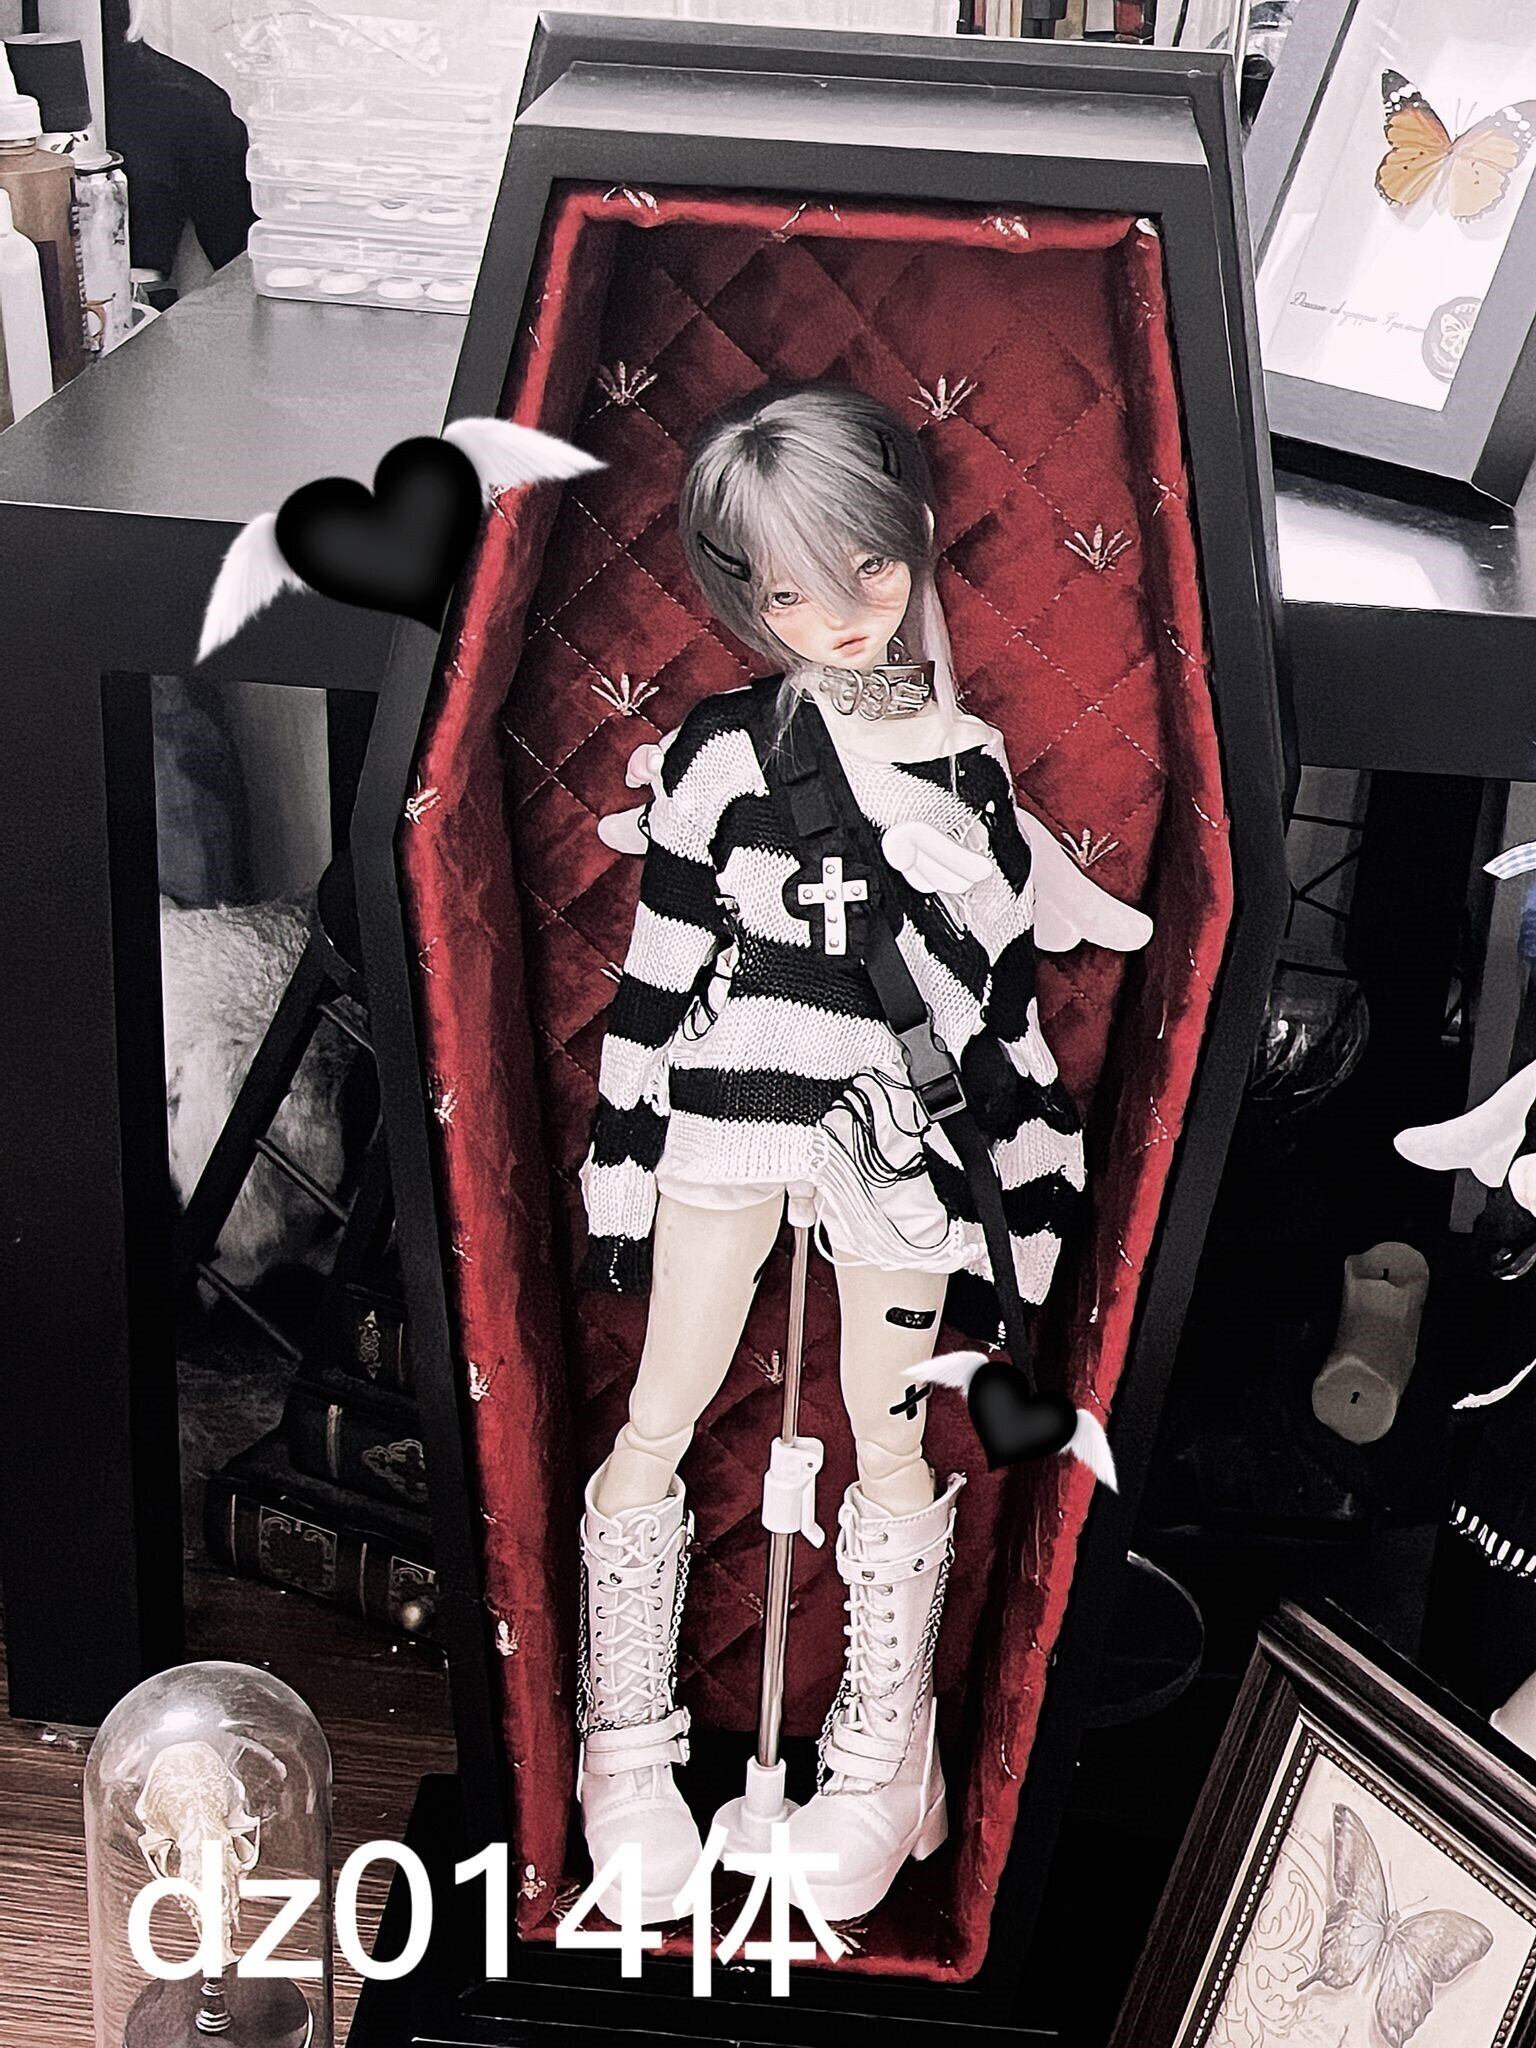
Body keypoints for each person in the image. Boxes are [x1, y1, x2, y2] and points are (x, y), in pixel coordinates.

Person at [575, 384, 1124, 1926]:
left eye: (867, 568)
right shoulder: (720, 754)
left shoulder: (967, 765)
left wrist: (1016, 1169)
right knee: (663, 1405)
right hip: (728, 1107)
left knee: (893, 1433)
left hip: (895, 1132)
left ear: (914, 544)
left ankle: (889, 1757)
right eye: (789, 591)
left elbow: (993, 997)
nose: (836, 613)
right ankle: (625, 1740)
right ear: (744, 597)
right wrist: (619, 1159)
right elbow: (656, 976)